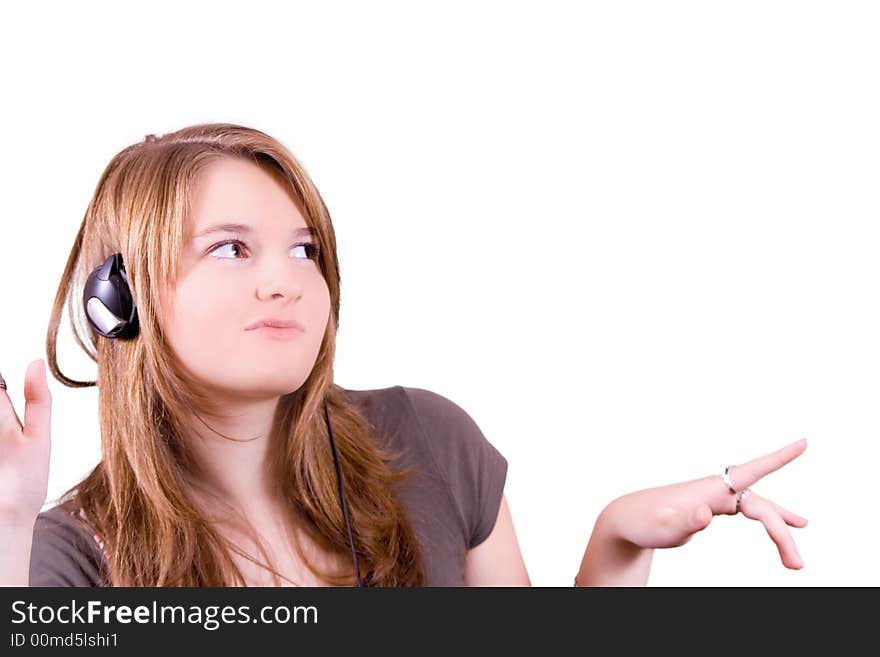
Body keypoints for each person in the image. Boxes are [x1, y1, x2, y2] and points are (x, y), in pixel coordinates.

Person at [0, 123, 808, 587]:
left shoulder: (429, 439)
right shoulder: (73, 555)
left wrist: (616, 543)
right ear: (121, 299)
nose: (285, 281)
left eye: (304, 249)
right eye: (231, 250)